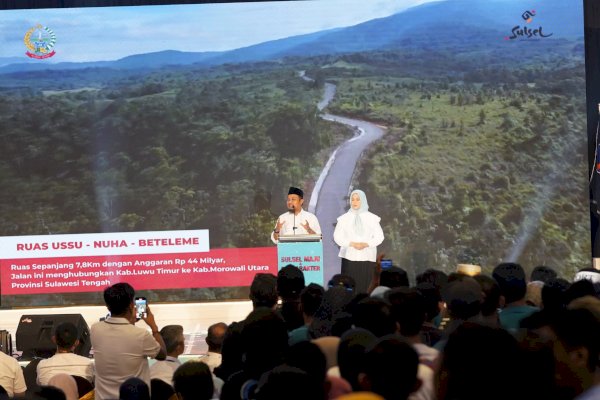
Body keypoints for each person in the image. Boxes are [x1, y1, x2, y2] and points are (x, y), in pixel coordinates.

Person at [91, 282, 167, 400]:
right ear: (132, 305)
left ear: (108, 306)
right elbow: (162, 354)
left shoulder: (95, 329)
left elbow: (119, 335)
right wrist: (153, 327)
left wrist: (129, 321)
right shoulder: (141, 335)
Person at [333, 189, 384, 293]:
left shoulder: (372, 218)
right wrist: (351, 244)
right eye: (353, 199)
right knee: (349, 287)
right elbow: (337, 237)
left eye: (358, 200)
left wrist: (366, 244)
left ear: (363, 201)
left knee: (366, 286)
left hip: (367, 257)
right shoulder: (344, 219)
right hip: (349, 257)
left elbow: (380, 236)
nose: (355, 202)